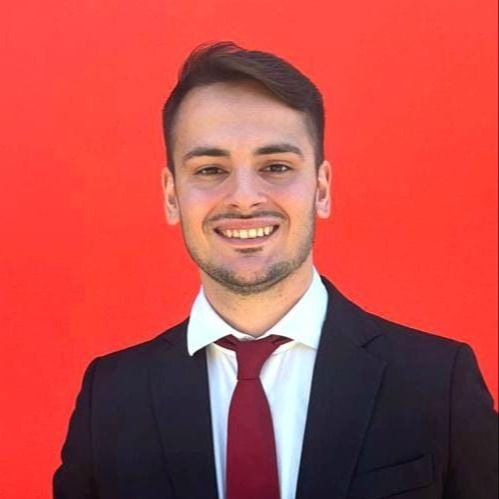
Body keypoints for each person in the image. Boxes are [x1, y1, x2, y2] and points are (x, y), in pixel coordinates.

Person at [53, 42, 497, 499]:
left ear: (321, 188)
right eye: (210, 170)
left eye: (277, 166)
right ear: (171, 196)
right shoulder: (110, 398)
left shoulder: (438, 383)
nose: (244, 198)